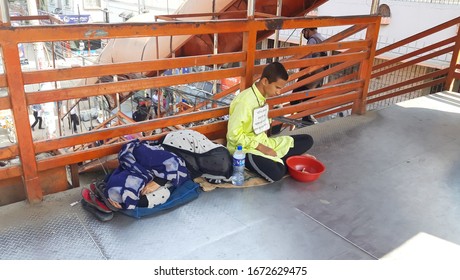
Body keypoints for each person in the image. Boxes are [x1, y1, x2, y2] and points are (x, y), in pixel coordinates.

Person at [226, 62, 314, 183]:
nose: (279, 92)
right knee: (277, 172)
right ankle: (288, 162)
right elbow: (233, 135)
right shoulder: (244, 102)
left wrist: (265, 145)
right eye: (277, 87)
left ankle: (282, 160)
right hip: (244, 149)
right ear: (265, 81)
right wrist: (262, 148)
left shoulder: (262, 97)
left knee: (307, 140)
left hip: (263, 142)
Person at [292, 27, 328, 125]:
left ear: (308, 30)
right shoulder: (321, 37)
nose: (303, 34)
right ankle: (306, 117)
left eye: (304, 31)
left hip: (312, 72)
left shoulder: (312, 40)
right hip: (320, 73)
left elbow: (309, 58)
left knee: (295, 95)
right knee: (309, 96)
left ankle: (302, 116)